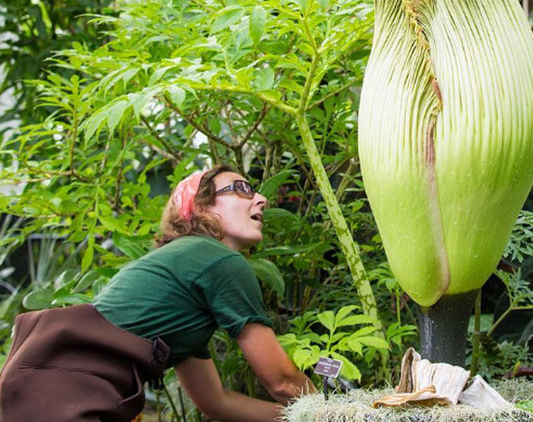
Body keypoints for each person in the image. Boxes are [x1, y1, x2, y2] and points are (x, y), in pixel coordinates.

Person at [0, 164, 316, 421]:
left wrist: (296, 417)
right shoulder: (219, 260)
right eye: (242, 188)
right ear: (202, 207)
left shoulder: (183, 288)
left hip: (41, 389)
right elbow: (284, 382)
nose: (261, 199)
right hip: (62, 393)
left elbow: (216, 402)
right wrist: (337, 413)